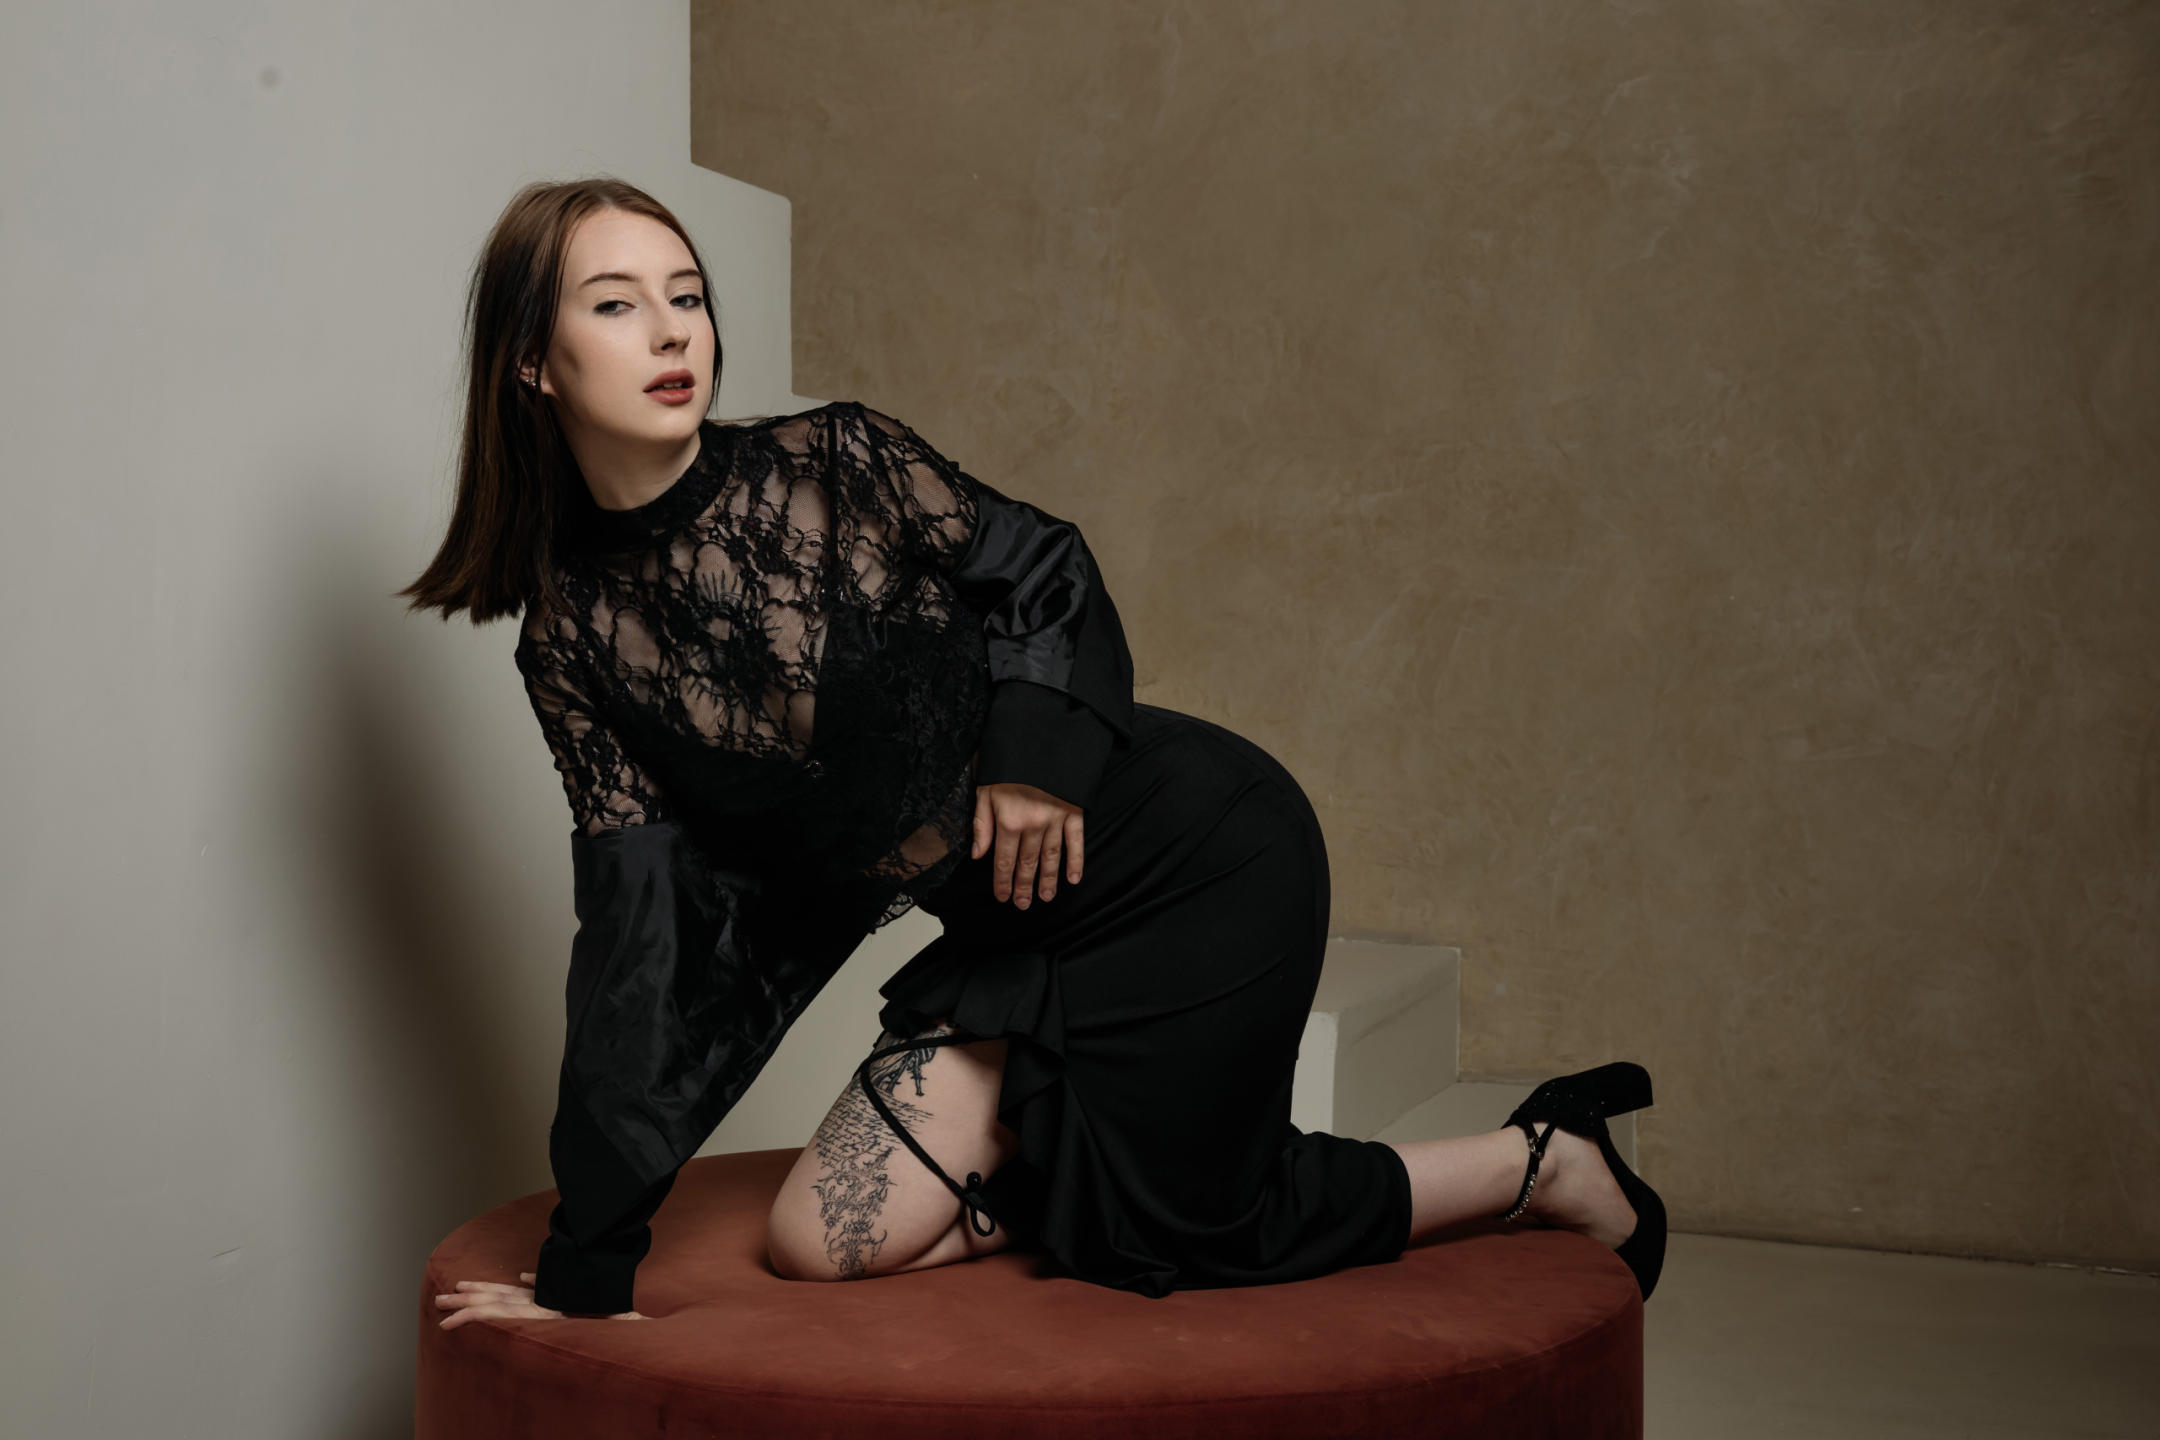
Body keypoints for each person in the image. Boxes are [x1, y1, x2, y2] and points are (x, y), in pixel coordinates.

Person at [405, 178, 1666, 1331]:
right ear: (532, 363)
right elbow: (635, 946)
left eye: (687, 296)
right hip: (1013, 931)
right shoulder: (570, 646)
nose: (673, 332)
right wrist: (588, 1275)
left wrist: (1032, 764)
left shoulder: (832, 460)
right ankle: (1087, 1162)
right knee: (820, 1243)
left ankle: (1541, 1159)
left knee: (1197, 1229)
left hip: (1195, 856)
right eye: (617, 304)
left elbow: (1043, 566)